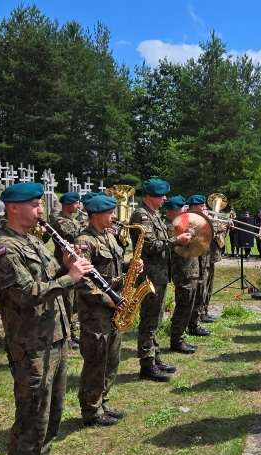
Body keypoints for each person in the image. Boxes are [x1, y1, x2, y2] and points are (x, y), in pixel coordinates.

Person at [0, 182, 92, 455]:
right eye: (35, 204)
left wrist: (67, 265)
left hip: (55, 338)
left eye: (40, 204)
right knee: (32, 418)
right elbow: (25, 294)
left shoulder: (32, 241)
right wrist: (70, 278)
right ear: (13, 207)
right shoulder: (3, 248)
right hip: (31, 346)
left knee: (52, 415)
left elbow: (48, 277)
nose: (41, 210)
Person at [74, 194, 142, 427]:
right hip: (96, 312)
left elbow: (113, 266)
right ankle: (90, 410)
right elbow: (83, 281)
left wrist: (131, 265)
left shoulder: (109, 236)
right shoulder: (84, 241)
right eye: (110, 213)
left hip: (115, 307)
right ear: (95, 215)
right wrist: (109, 300)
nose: (114, 216)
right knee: (96, 361)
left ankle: (102, 402)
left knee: (111, 358)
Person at [129, 179, 192, 382]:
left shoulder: (153, 214)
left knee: (156, 318)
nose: (165, 198)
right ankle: (147, 364)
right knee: (149, 319)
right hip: (150, 274)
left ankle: (154, 357)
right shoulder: (141, 215)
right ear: (150, 196)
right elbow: (151, 245)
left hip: (159, 274)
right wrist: (176, 241)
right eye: (161, 195)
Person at [45, 192, 86, 350]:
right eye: (75, 203)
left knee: (75, 300)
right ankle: (65, 334)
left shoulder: (74, 220)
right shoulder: (59, 220)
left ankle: (73, 331)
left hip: (76, 262)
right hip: (63, 263)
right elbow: (73, 235)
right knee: (67, 300)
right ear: (67, 204)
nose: (78, 206)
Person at [163, 196, 202, 355]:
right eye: (182, 208)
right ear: (174, 211)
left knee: (187, 306)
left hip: (190, 271)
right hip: (182, 272)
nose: (185, 210)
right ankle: (177, 341)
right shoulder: (169, 227)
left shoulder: (180, 225)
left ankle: (181, 337)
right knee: (183, 307)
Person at [187, 194, 221, 324]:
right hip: (198, 259)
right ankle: (199, 314)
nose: (205, 208)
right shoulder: (191, 219)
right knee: (201, 288)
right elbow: (204, 235)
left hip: (207, 257)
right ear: (194, 207)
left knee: (207, 286)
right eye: (202, 206)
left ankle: (203, 311)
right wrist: (217, 227)